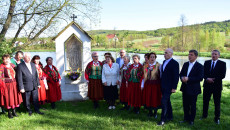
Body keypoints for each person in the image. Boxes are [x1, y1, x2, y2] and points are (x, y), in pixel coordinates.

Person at [201, 50, 226, 124]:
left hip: (217, 86)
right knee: (205, 102)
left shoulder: (222, 64)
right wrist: (207, 78)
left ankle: (217, 118)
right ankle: (204, 116)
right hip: (207, 86)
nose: (213, 55)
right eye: (212, 54)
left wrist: (213, 79)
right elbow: (203, 73)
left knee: (217, 103)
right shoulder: (206, 62)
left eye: (215, 54)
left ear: (219, 55)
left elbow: (222, 75)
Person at [179, 50, 204, 125]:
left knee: (192, 105)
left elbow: (200, 78)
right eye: (189, 54)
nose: (189, 56)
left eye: (191, 55)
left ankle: (191, 120)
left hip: (194, 89)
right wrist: (182, 78)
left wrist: (189, 79)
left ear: (196, 56)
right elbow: (181, 74)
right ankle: (186, 118)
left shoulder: (200, 66)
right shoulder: (186, 64)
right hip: (185, 87)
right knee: (185, 104)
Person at [158, 48, 179, 126]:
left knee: (163, 101)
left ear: (171, 54)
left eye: (166, 53)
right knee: (167, 101)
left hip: (169, 87)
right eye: (164, 53)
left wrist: (174, 87)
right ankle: (170, 116)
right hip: (163, 86)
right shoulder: (164, 62)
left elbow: (176, 76)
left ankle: (163, 119)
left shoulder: (175, 63)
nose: (165, 54)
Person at [142, 52, 161, 118]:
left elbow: (161, 76)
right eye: (151, 57)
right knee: (148, 98)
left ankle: (155, 113)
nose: (152, 58)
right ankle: (150, 112)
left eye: (153, 57)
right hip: (148, 84)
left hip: (156, 84)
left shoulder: (159, 65)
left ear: (155, 58)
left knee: (154, 98)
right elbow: (144, 76)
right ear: (149, 58)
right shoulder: (146, 66)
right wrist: (142, 85)